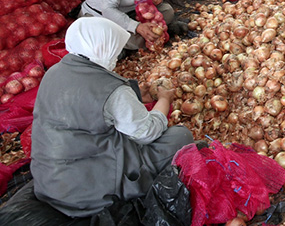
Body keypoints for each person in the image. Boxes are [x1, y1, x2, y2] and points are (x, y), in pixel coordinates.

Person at [31, 17, 194, 217]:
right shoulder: (115, 92)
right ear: (102, 49)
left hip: (50, 182)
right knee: (180, 136)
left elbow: (88, 95)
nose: (116, 57)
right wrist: (164, 100)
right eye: (115, 51)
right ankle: (128, 186)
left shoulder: (54, 73)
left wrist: (134, 91)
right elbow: (147, 132)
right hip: (89, 194)